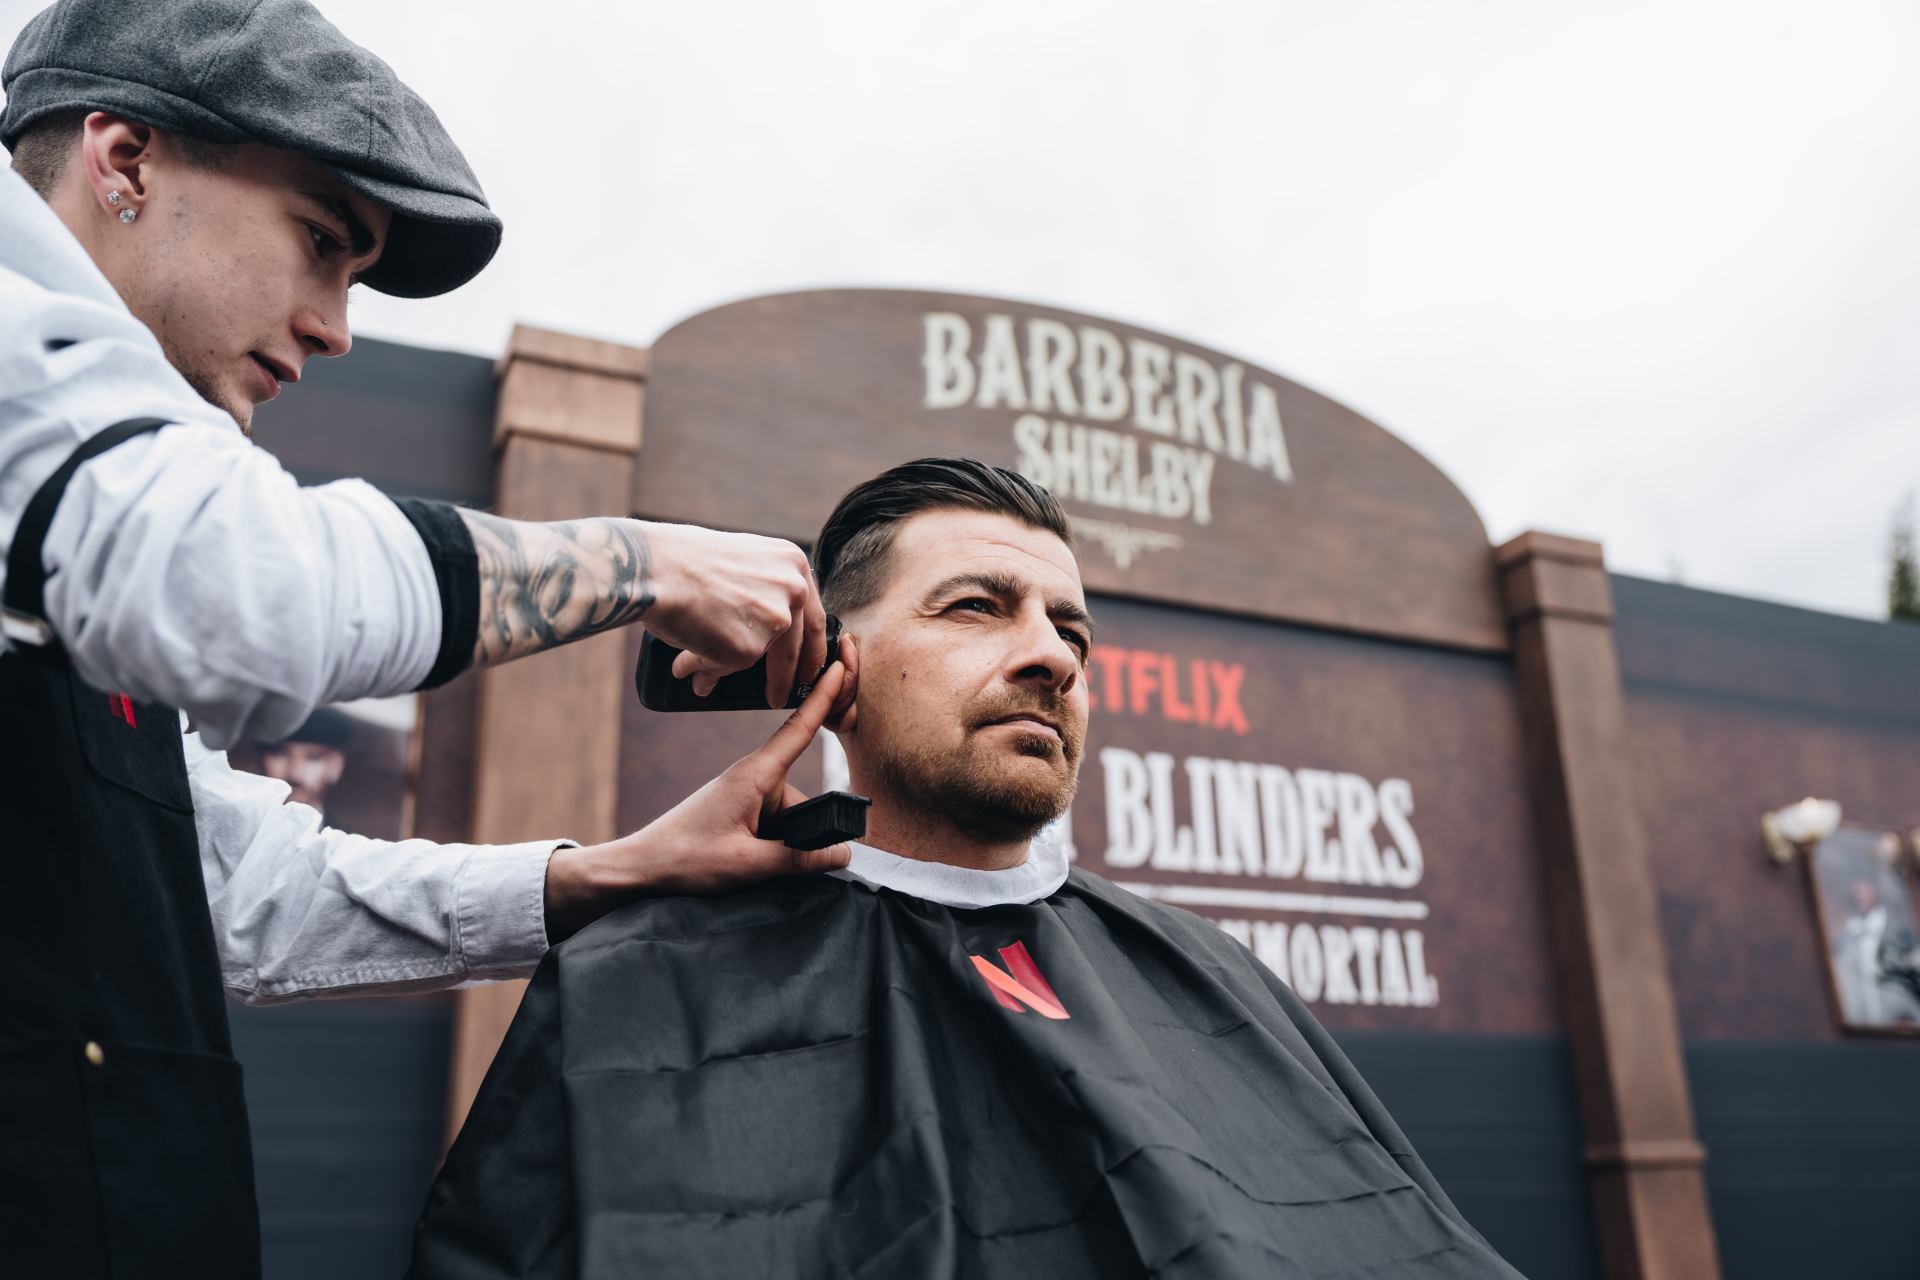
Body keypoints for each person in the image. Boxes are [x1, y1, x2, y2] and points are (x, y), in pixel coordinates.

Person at [0, 2, 851, 1276]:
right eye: (321, 242)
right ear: (124, 160)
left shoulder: (91, 493)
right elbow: (245, 591)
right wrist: (646, 562)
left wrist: (610, 873)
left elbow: (245, 896)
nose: (335, 325)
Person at [409, 458, 1525, 1279]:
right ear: (830, 665)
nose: (1051, 656)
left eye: (1072, 632)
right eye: (979, 607)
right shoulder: (640, 977)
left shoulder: (1210, 974)